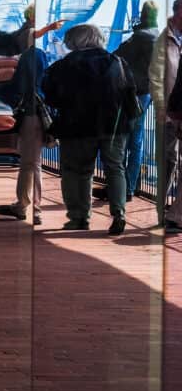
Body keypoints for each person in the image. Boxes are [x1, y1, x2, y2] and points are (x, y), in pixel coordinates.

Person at [43, 24, 136, 235]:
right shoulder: (117, 62)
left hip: (77, 127)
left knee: (78, 172)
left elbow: (52, 95)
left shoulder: (65, 65)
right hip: (114, 127)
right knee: (115, 167)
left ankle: (80, 217)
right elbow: (130, 93)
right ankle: (119, 213)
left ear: (75, 41)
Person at [104, 0, 157, 203]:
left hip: (133, 94)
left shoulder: (140, 37)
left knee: (123, 141)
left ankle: (122, 188)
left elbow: (116, 56)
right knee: (137, 140)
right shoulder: (156, 36)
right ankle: (129, 187)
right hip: (147, 93)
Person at [0, 44, 50, 226]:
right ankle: (28, 206)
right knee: (34, 163)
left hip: (30, 117)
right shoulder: (42, 64)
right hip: (42, 117)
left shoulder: (29, 59)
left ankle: (27, 206)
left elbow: (15, 88)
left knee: (29, 164)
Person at [150, 0, 182, 231]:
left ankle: (175, 214)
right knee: (168, 160)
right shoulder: (164, 40)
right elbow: (156, 78)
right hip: (169, 112)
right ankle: (164, 209)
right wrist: (163, 109)